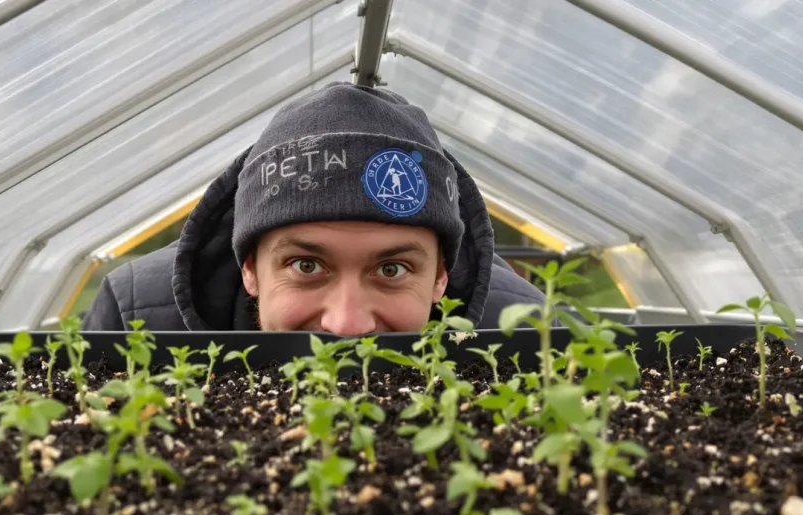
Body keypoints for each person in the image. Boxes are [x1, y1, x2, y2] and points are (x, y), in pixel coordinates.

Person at [81, 81, 547, 334]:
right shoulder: (136, 314)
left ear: (440, 277)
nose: (346, 324)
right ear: (250, 269)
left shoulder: (525, 331)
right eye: (306, 264)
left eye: (392, 270)